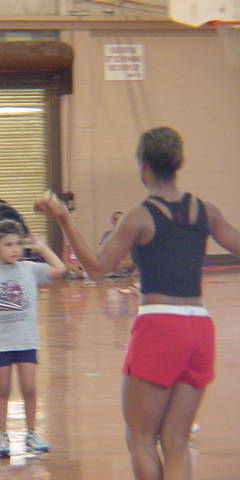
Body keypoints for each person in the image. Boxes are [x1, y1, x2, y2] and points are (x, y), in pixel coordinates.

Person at [34, 126, 240, 480]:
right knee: (176, 440)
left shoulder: (140, 215)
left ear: (143, 167)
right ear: (179, 163)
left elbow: (97, 268)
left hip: (160, 326)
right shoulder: (206, 211)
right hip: (200, 327)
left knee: (141, 439)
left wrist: (64, 217)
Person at [0, 216, 66, 457]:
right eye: (8, 244)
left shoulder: (30, 269)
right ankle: (2, 436)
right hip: (0, 342)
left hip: (26, 340)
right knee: (3, 389)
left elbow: (60, 269)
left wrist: (42, 247)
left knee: (29, 388)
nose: (14, 249)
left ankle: (31, 433)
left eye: (18, 243)